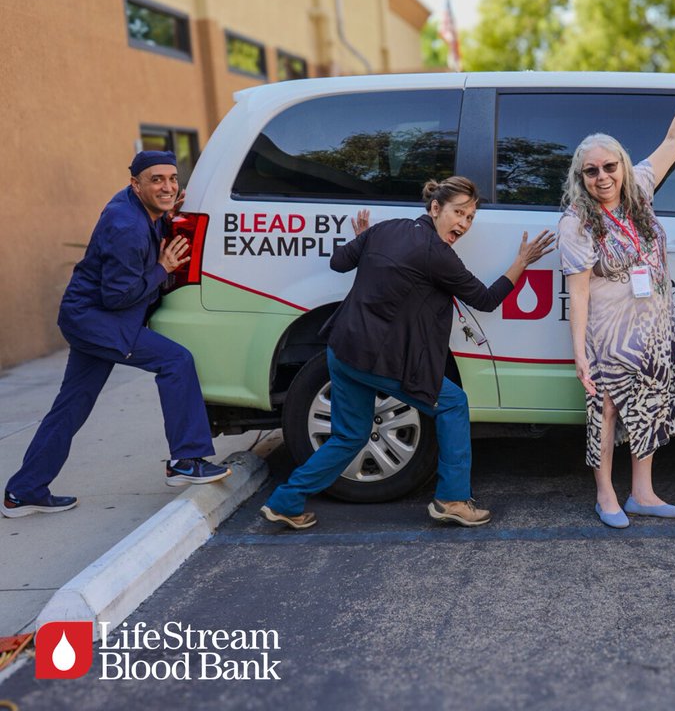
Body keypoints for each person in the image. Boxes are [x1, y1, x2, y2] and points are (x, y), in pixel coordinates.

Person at [260, 177, 555, 530]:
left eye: (470, 217)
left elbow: (339, 262)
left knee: (349, 437)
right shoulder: (436, 254)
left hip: (342, 349)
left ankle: (285, 501)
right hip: (379, 360)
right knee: (453, 403)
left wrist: (362, 239)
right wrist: (522, 261)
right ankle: (453, 500)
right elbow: (486, 300)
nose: (463, 223)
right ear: (435, 208)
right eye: (458, 213)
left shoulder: (386, 229)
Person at [3, 151, 230, 518]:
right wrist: (162, 268)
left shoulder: (137, 208)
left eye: (172, 179)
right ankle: (186, 460)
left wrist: (168, 214)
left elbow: (149, 230)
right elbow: (117, 296)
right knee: (176, 361)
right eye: (156, 180)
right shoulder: (126, 226)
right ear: (135, 184)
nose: (167, 186)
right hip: (99, 321)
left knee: (71, 406)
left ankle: (23, 490)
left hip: (87, 318)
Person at [557, 59, 675, 528]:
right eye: (592, 171)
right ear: (581, 178)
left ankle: (643, 492)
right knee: (609, 408)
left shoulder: (639, 187)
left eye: (609, 166)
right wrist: (579, 352)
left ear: (621, 163)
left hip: (653, 323)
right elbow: (577, 294)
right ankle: (606, 496)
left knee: (651, 402)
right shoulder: (576, 223)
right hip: (610, 327)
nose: (603, 177)